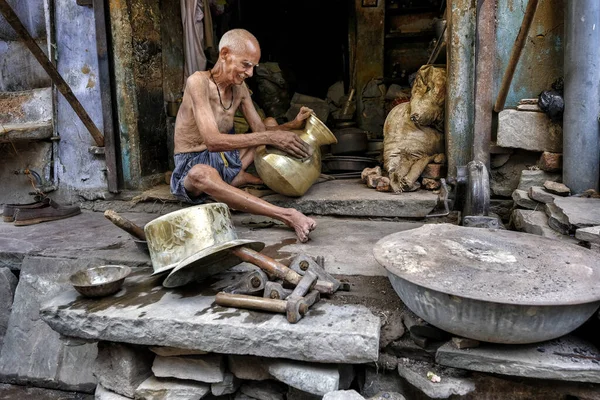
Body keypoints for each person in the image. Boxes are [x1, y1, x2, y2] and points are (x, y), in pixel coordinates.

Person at [171, 28, 317, 242]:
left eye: (253, 67)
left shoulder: (240, 89)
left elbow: (260, 131)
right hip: (193, 162)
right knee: (200, 174)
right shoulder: (198, 82)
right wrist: (270, 137)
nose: (250, 73)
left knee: (268, 123)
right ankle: (287, 216)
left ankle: (231, 180)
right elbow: (212, 141)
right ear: (224, 54)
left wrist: (293, 124)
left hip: (227, 160)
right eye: (245, 65)